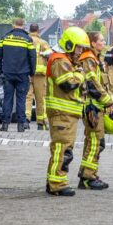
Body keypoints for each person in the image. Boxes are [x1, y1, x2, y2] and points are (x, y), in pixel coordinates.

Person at [45, 26, 90, 197]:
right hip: (62, 114)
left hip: (67, 114)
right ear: (70, 44)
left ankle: (54, 182)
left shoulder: (66, 61)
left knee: (62, 149)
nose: (80, 51)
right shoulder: (60, 61)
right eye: (79, 47)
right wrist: (80, 75)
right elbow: (68, 84)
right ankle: (57, 184)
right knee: (62, 150)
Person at [76, 31, 113, 190]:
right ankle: (88, 177)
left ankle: (86, 174)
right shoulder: (89, 59)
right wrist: (107, 100)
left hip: (96, 106)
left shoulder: (95, 58)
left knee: (93, 142)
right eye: (100, 40)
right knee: (96, 142)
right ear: (93, 43)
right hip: (92, 107)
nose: (103, 42)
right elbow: (93, 83)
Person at [0, 18, 36, 132]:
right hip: (23, 74)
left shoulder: (5, 37)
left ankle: (5, 124)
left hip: (8, 73)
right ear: (23, 26)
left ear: (13, 25)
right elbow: (33, 57)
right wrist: (32, 72)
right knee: (21, 99)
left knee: (7, 98)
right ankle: (20, 125)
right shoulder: (28, 39)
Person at [25, 23, 53, 130]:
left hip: (27, 73)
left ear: (29, 30)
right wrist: (43, 54)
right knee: (40, 99)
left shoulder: (26, 41)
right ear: (38, 31)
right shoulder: (43, 42)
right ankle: (40, 123)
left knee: (28, 97)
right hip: (40, 75)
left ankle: (26, 120)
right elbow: (50, 53)